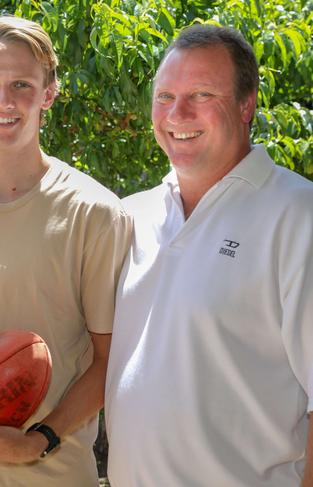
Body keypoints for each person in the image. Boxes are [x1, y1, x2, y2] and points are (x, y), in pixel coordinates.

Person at [0, 16, 132, 486]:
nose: (4, 100)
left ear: (49, 94)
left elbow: (111, 360)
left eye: (22, 84)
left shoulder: (95, 214)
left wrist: (39, 439)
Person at [105, 24, 313, 486]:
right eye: (164, 97)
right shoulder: (129, 216)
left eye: (201, 95)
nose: (177, 113)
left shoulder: (298, 215)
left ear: (246, 104)